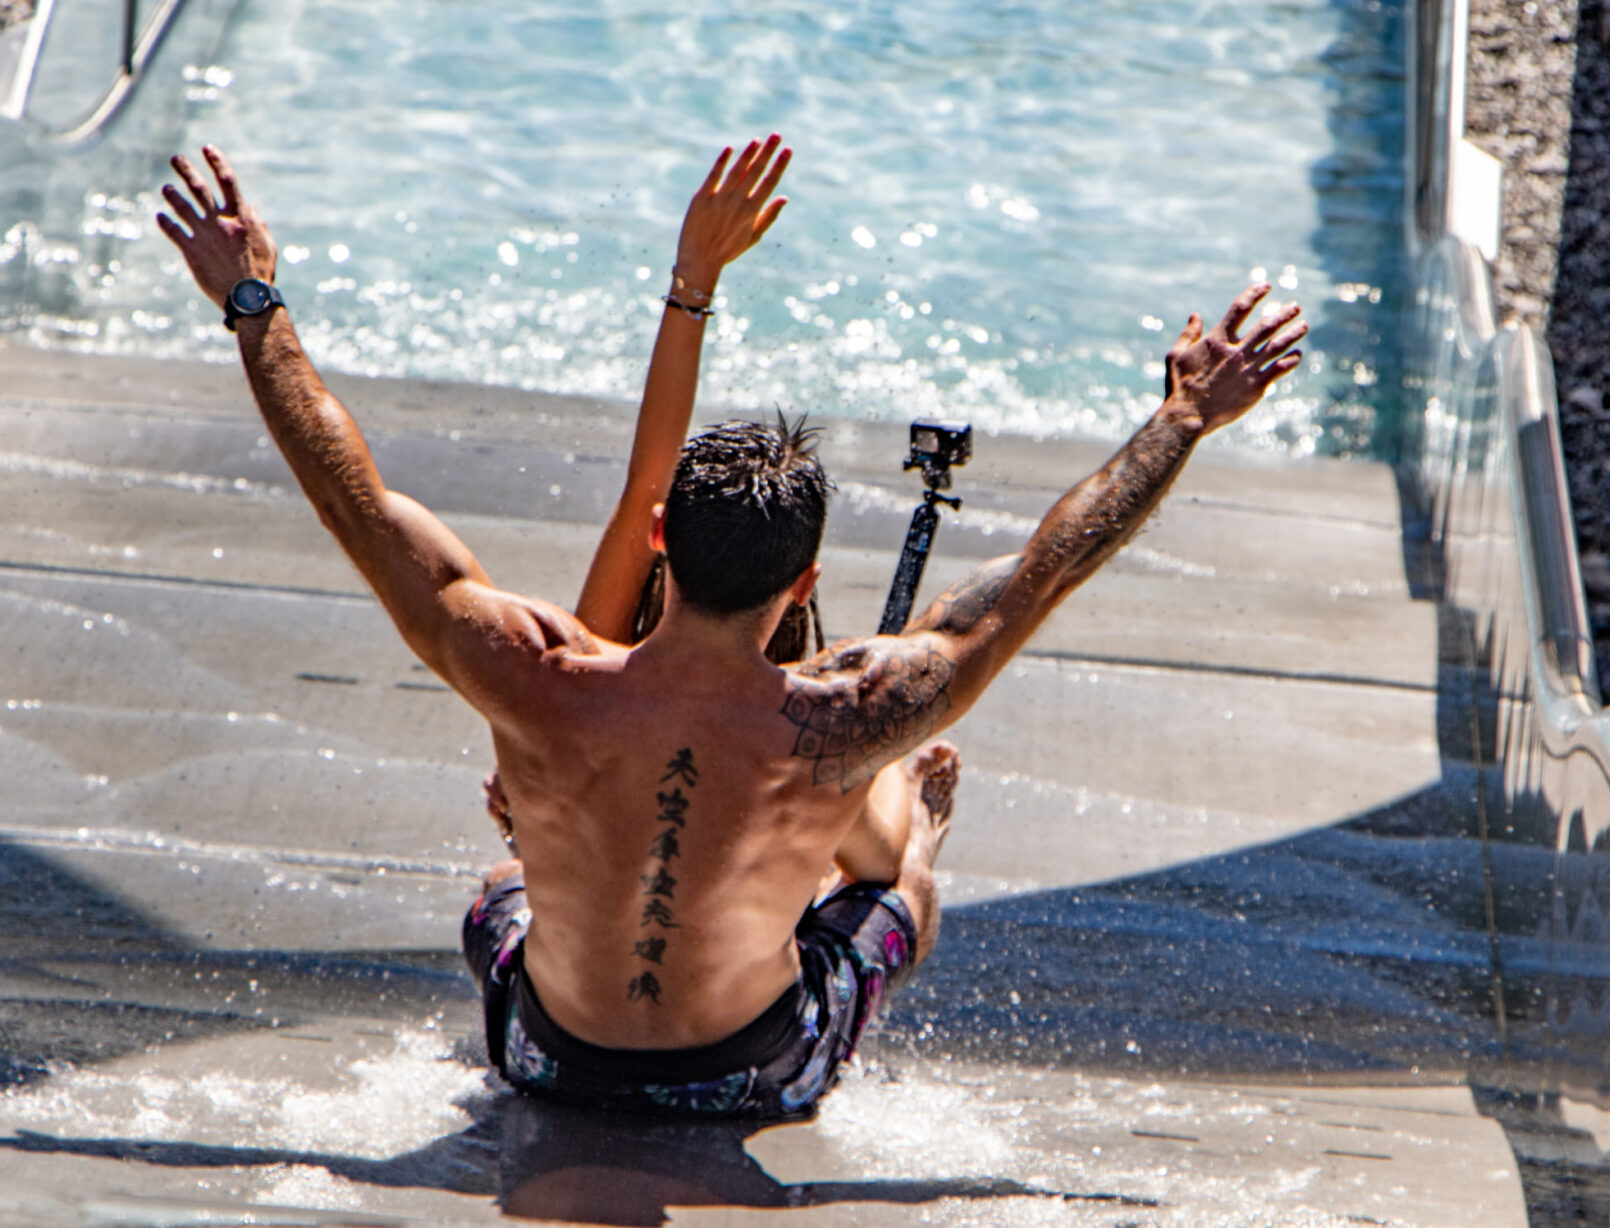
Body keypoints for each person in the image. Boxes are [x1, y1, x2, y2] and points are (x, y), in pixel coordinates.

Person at [156, 137, 1306, 1119]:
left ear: (661, 543)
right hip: (754, 1075)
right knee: (896, 892)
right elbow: (1051, 565)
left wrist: (253, 301)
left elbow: (347, 490)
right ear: (804, 576)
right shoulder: (852, 711)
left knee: (500, 891)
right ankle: (912, 856)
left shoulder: (533, 669)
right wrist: (1187, 414)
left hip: (545, 1057)